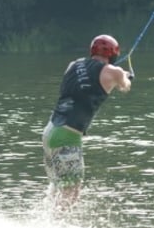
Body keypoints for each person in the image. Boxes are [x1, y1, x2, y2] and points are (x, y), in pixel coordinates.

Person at [42, 34, 133, 209]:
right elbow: (124, 86)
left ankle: (46, 223)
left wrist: (117, 75)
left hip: (50, 131)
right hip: (67, 137)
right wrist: (125, 76)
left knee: (58, 186)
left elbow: (87, 81)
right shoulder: (114, 72)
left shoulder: (72, 65)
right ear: (113, 55)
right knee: (72, 192)